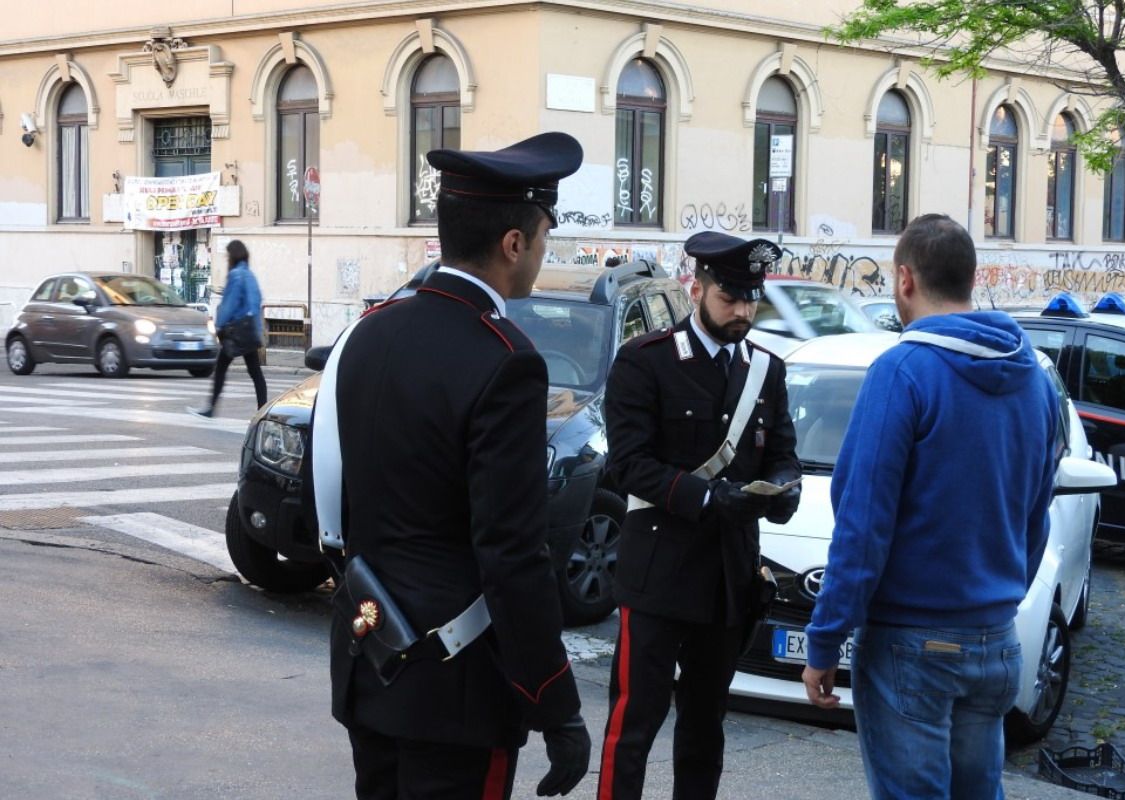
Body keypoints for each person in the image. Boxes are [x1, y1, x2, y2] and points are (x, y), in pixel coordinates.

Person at [312, 132, 591, 800]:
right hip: (458, 688)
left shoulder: (371, 333)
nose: (541, 255)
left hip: (371, 656)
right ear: (514, 243)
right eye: (543, 239)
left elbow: (343, 501)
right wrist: (555, 704)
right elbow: (511, 554)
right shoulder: (507, 361)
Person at [801, 213, 1059, 800]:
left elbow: (863, 524)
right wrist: (999, 596)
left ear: (904, 279)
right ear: (971, 279)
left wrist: (824, 641)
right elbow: (1036, 512)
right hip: (995, 638)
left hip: (912, 643)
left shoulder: (902, 371)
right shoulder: (1033, 379)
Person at [597, 231, 802, 800]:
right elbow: (628, 465)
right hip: (659, 573)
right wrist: (707, 498)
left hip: (727, 580)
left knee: (705, 728)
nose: (741, 312)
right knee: (633, 726)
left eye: (750, 299)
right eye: (728, 298)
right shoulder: (646, 362)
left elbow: (782, 450)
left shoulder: (767, 370)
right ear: (697, 289)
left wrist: (786, 487)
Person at [188, 239, 267, 417]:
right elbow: (257, 301)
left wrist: (219, 325)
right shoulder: (250, 274)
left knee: (221, 367)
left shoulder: (236, 275)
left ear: (232, 256)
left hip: (237, 330)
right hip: (250, 329)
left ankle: (210, 408)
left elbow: (229, 304)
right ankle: (262, 409)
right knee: (255, 372)